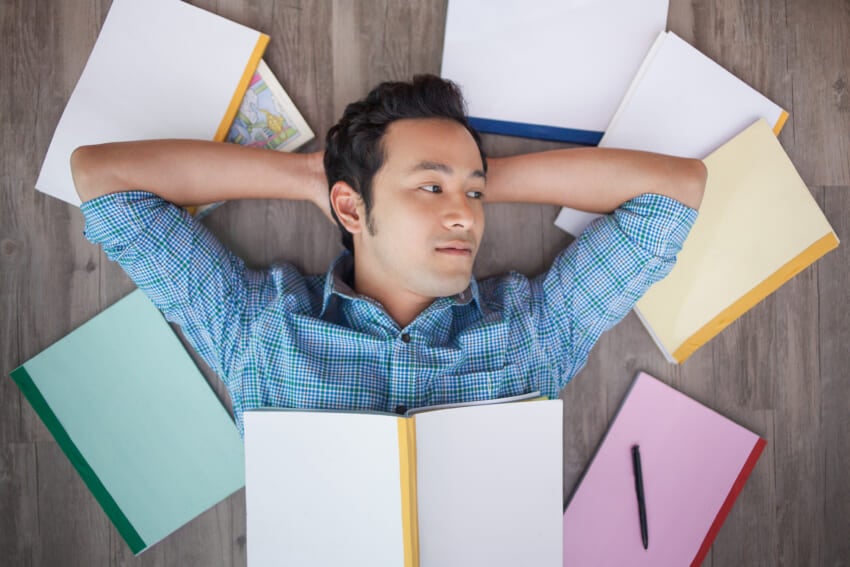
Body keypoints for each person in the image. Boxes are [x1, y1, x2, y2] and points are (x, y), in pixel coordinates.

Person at [71, 75, 706, 436]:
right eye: (429, 187)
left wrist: (475, 177)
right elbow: (102, 178)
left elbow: (675, 192)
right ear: (350, 210)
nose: (466, 215)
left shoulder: (531, 335)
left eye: (475, 196)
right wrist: (307, 180)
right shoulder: (257, 331)